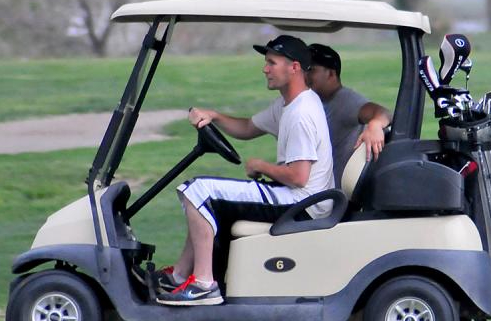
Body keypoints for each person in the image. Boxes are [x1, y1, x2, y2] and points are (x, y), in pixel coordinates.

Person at [155, 34, 334, 306]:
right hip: (299, 197)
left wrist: (262, 166)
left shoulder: (301, 114)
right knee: (206, 197)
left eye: (272, 63)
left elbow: (299, 177)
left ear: (294, 68)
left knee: (197, 191)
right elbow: (248, 128)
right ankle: (180, 276)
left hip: (303, 203)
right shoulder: (289, 104)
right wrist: (214, 116)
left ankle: (204, 284)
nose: (265, 69)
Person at [306, 43, 392, 184]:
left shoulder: (345, 100)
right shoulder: (316, 103)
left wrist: (375, 125)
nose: (305, 76)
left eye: (311, 70)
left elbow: (383, 113)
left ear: (331, 74)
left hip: (334, 195)